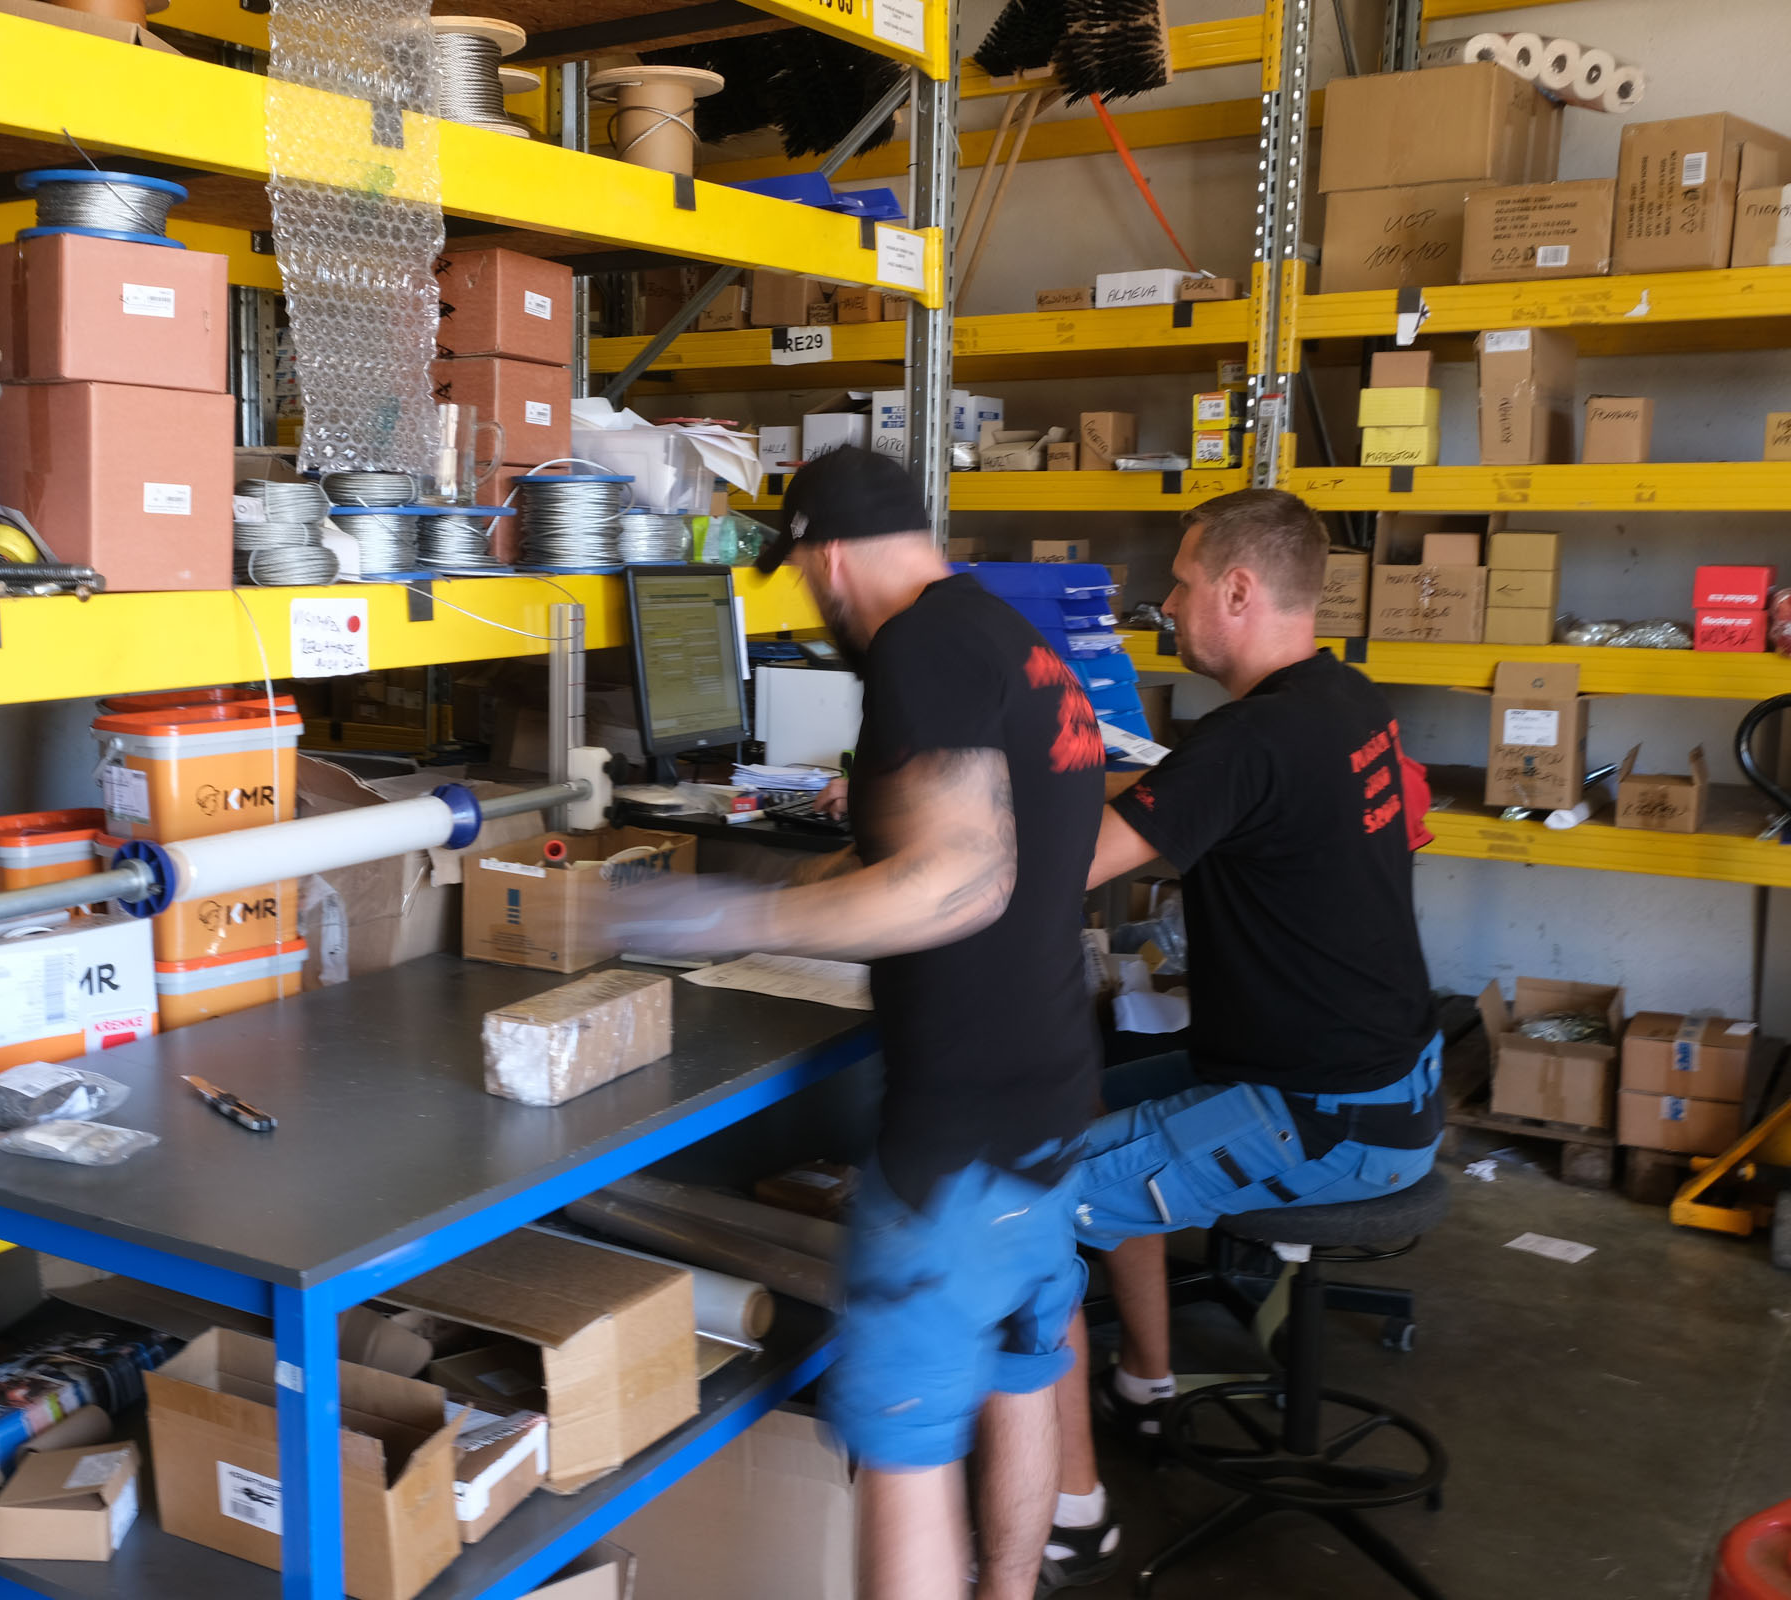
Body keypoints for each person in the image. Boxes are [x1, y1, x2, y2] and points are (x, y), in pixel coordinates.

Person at [608, 446, 1108, 1600]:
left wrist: (731, 916)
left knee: (905, 1446)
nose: (814, 603)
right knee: (1023, 1371)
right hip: (1048, 1103)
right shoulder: (1011, 641)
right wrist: (814, 880)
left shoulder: (917, 651)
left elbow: (960, 879)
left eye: (803, 579)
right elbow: (971, 844)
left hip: (954, 1147)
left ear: (828, 560)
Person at [1041, 489, 1443, 1587]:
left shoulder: (1249, 739)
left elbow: (1067, 867)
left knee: (1025, 1209)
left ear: (1236, 590)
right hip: (1390, 1086)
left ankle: (1072, 1517)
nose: (1166, 608)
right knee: (1090, 1104)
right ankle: (1145, 1385)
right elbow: (1189, 796)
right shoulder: (1342, 700)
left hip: (1322, 1119)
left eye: (1179, 585)